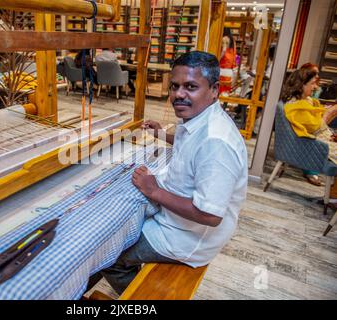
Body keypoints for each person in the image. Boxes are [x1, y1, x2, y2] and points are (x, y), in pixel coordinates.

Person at [87, 51, 248, 295]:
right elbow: (190, 144)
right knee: (116, 228)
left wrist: (153, 190)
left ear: (214, 89)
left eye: (191, 86)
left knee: (109, 254)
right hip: (180, 224)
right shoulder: (202, 118)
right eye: (175, 86)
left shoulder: (216, 143)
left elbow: (210, 215)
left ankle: (141, 297)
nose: (179, 94)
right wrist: (161, 134)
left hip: (187, 238)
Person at [282, 68, 337, 198]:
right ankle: (333, 198)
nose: (315, 87)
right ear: (301, 85)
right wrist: (330, 112)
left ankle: (333, 197)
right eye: (312, 83)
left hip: (321, 141)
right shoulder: (295, 106)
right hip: (316, 145)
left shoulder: (303, 101)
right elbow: (316, 128)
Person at [219, 28, 237, 95]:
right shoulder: (233, 40)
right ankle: (225, 102)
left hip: (223, 65)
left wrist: (218, 59)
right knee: (226, 89)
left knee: (220, 87)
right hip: (229, 68)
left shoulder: (224, 39)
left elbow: (223, 50)